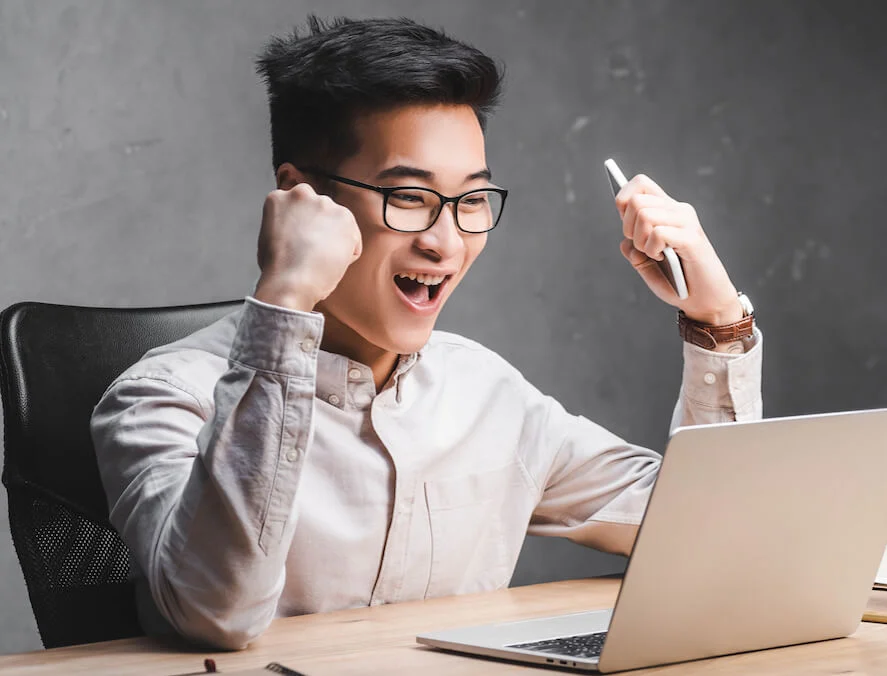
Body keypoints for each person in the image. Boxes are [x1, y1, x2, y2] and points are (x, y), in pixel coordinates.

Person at [90, 15, 764, 650]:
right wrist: (287, 295)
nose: (447, 242)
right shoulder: (160, 398)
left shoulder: (488, 394)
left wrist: (717, 322)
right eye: (409, 197)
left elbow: (706, 532)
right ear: (301, 197)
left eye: (472, 200)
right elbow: (217, 611)